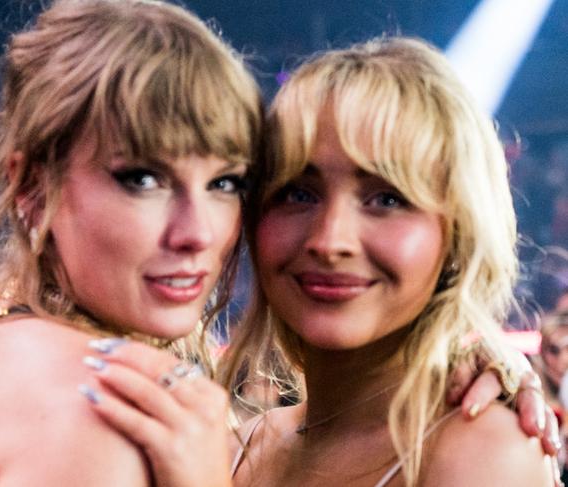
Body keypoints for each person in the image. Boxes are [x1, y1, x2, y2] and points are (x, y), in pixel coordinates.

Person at [86, 37, 560, 486]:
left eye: (387, 199)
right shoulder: (233, 446)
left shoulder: (485, 450)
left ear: (458, 232)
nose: (330, 241)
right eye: (298, 192)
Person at [0, 0, 262, 485]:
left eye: (225, 183)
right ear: (33, 190)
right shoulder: (104, 419)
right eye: (144, 179)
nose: (199, 234)